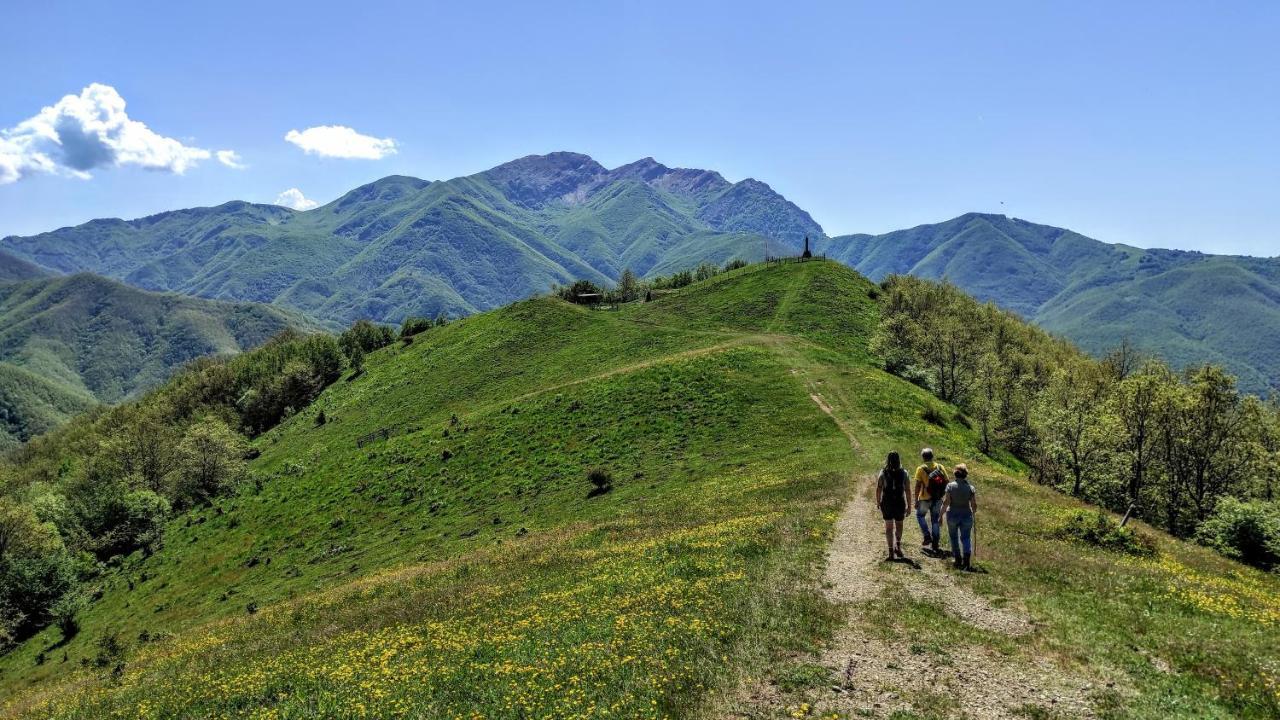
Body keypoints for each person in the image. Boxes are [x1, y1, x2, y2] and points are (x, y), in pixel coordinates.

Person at [940, 463, 978, 570]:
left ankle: (957, 559)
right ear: (965, 475)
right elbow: (974, 505)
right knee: (966, 537)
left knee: (954, 537)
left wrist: (940, 515)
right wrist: (974, 511)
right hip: (966, 515)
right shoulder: (971, 488)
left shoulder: (950, 486)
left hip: (952, 514)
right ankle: (966, 560)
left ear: (955, 474)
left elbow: (946, 502)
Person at [875, 452, 911, 560]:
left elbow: (879, 488)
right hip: (899, 502)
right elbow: (908, 490)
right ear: (899, 460)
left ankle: (890, 551)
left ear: (887, 460)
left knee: (889, 527)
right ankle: (898, 546)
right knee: (899, 525)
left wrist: (878, 501)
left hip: (887, 503)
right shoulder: (904, 472)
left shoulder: (883, 472)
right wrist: (909, 505)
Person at [913, 448, 948, 554]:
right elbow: (947, 481)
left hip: (925, 498)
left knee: (920, 516)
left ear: (923, 457)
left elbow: (918, 485)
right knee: (935, 520)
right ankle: (935, 543)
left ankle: (927, 536)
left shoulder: (920, 469)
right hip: (937, 498)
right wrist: (941, 493)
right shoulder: (940, 467)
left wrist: (916, 500)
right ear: (932, 456)